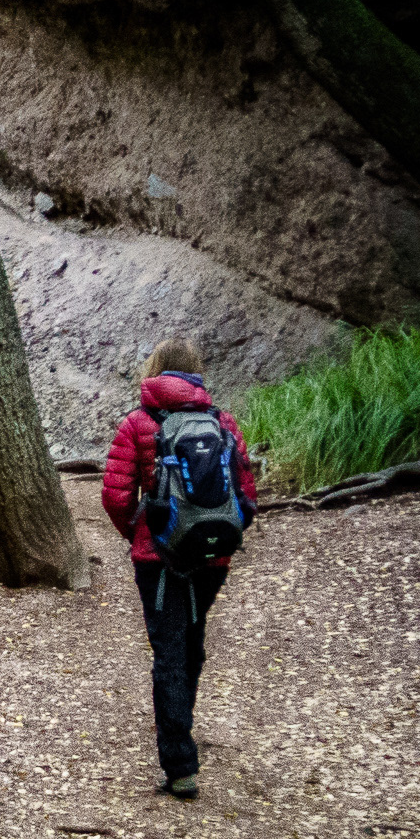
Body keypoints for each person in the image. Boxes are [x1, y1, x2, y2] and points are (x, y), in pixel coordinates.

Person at [99, 337, 258, 799]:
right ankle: (181, 726)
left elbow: (115, 496)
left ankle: (180, 765)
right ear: (195, 373)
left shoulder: (137, 423)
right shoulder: (222, 421)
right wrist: (221, 534)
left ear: (154, 370)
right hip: (214, 555)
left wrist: (139, 533)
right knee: (192, 639)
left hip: (160, 559)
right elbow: (247, 492)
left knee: (169, 651)